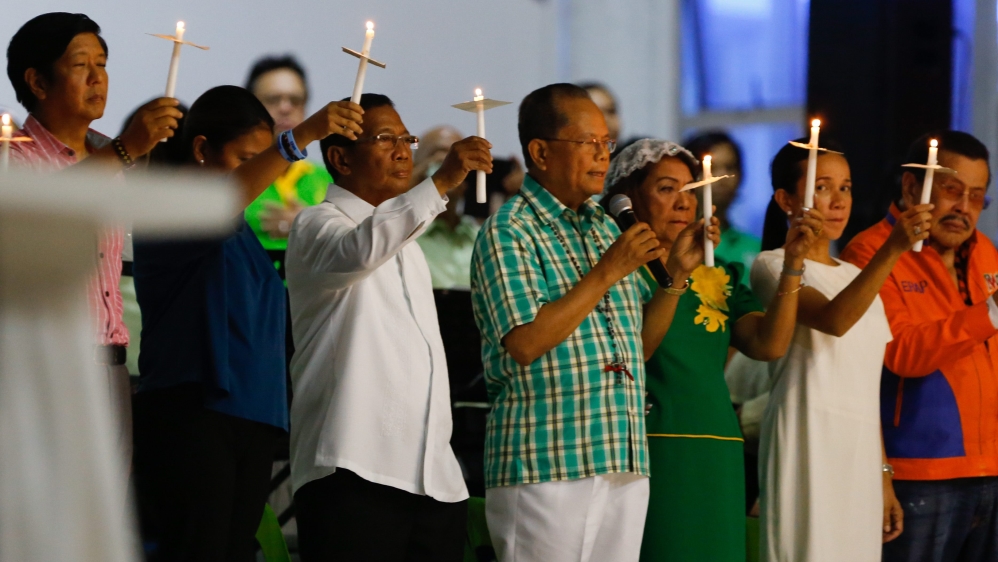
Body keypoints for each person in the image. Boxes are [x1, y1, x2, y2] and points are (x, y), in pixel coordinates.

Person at [470, 84, 713, 562]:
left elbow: (636, 347)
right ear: (540, 152)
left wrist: (677, 276)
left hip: (619, 454)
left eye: (607, 144)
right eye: (589, 144)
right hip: (546, 461)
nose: (603, 156)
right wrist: (606, 271)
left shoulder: (605, 226)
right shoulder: (509, 230)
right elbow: (525, 342)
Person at [132, 85, 361, 561]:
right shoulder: (171, 210)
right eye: (246, 158)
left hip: (252, 417)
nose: (262, 173)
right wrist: (302, 136)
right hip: (194, 411)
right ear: (201, 149)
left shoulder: (240, 235)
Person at [286, 93, 490, 561]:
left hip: (431, 475)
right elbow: (361, 247)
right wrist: (439, 183)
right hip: (354, 466)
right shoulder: (316, 225)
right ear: (339, 158)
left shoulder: (410, 245)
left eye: (406, 138)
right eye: (384, 139)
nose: (403, 151)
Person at [602, 138, 819, 561]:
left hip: (718, 446)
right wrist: (676, 273)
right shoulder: (616, 271)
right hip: (653, 444)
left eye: (690, 189)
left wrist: (793, 263)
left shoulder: (717, 273)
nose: (684, 201)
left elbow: (769, 344)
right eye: (667, 188)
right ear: (627, 199)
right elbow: (636, 350)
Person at [5, 12, 182, 467]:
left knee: (102, 529)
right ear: (37, 82)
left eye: (102, 64)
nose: (97, 77)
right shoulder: (12, 156)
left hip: (111, 368)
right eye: (80, 64)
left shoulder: (114, 157)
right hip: (43, 370)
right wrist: (126, 150)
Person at [754, 139, 932, 561]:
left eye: (846, 188)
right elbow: (834, 320)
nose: (838, 201)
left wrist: (884, 474)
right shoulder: (773, 265)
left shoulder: (856, 274)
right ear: (785, 198)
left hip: (859, 451)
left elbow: (866, 384)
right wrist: (893, 248)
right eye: (822, 187)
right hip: (807, 436)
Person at [839, 131, 998, 562]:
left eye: (977, 195)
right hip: (918, 472)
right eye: (952, 190)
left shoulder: (985, 252)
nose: (964, 207)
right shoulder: (871, 251)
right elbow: (903, 353)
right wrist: (990, 314)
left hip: (991, 468)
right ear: (912, 187)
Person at [244, 54, 333, 277]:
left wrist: (309, 225)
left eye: (295, 100)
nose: (285, 108)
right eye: (273, 100)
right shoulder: (235, 178)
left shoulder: (329, 179)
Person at [684, 131, 761, 276]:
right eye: (710, 169)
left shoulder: (756, 249)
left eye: (730, 168)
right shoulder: (677, 245)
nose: (722, 178)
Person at [413, 125, 479, 290]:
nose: (449, 165)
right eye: (436, 154)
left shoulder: (481, 238)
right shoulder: (401, 237)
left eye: (457, 158)